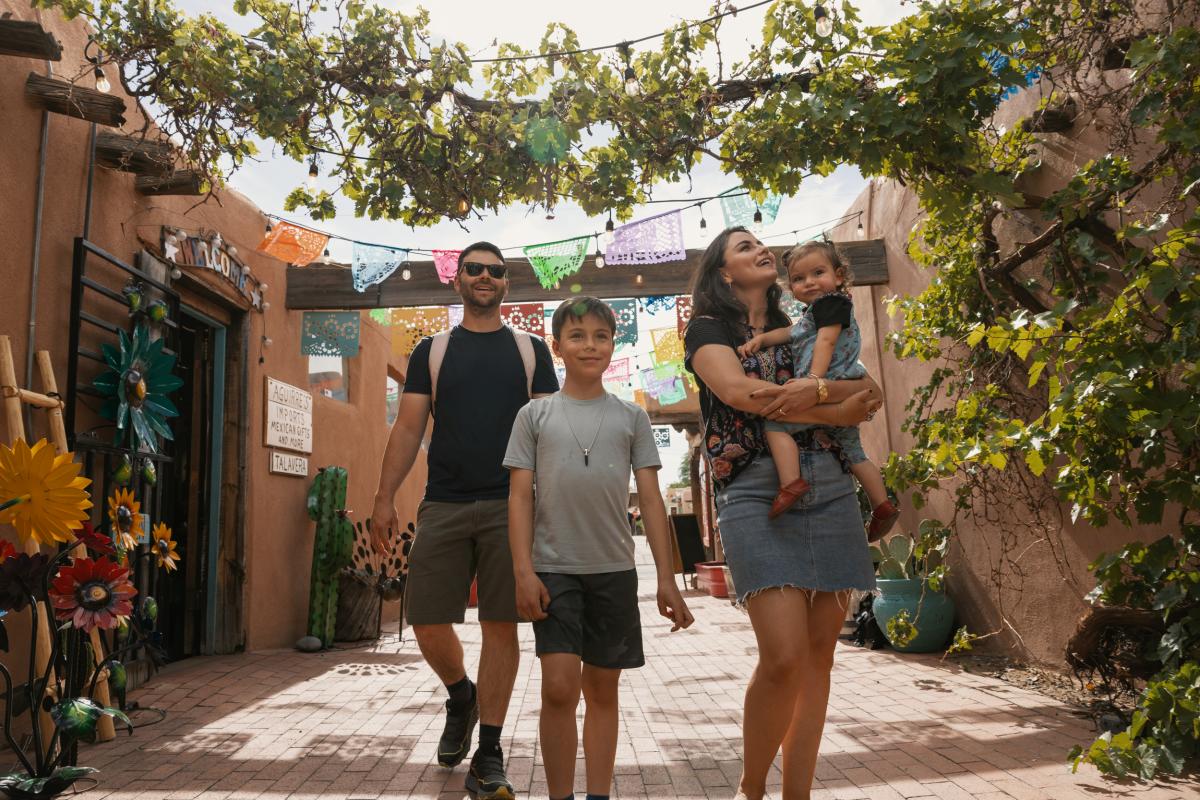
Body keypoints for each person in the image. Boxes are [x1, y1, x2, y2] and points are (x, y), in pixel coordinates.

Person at [683, 227, 882, 800]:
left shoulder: (811, 317)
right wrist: (825, 398)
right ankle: (752, 788)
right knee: (784, 656)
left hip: (830, 484)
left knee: (819, 657)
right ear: (723, 273)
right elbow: (738, 392)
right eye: (743, 248)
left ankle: (797, 794)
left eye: (759, 244)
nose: (761, 251)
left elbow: (867, 399)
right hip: (753, 491)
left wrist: (820, 397)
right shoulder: (708, 328)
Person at [370, 242, 559, 800]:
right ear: (458, 281)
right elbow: (407, 429)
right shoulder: (433, 349)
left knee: (501, 624)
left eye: (495, 271)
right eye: (473, 269)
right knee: (426, 618)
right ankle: (461, 696)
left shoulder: (531, 350)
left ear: (506, 284)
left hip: (513, 506)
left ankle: (491, 753)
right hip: (445, 501)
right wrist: (384, 498)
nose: (484, 277)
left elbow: (551, 431)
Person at [504, 297, 694, 800]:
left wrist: (667, 578)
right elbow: (520, 497)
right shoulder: (534, 415)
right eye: (577, 335)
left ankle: (599, 795)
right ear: (557, 344)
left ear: (614, 344)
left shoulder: (631, 417)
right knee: (559, 687)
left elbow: (651, 499)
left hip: (614, 570)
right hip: (553, 570)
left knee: (603, 689)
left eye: (601, 336)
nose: (590, 345)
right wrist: (523, 572)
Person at [737, 240, 899, 539]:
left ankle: (791, 483)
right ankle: (882, 504)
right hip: (842, 385)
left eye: (818, 273)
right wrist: (764, 340)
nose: (809, 282)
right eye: (799, 278)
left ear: (838, 276)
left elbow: (825, 342)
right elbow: (792, 332)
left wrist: (814, 380)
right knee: (854, 452)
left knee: (776, 424)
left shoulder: (831, 304)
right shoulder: (815, 312)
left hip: (831, 380)